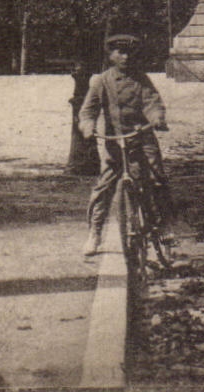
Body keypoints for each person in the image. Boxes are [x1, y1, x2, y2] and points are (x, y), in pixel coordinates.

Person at [77, 33, 173, 257]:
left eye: (129, 52)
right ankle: (95, 234)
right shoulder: (102, 81)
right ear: (110, 55)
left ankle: (164, 228)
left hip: (141, 137)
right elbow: (88, 110)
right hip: (115, 141)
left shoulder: (141, 80)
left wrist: (157, 118)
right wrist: (88, 126)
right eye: (120, 52)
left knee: (156, 178)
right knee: (104, 187)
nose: (125, 57)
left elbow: (152, 102)